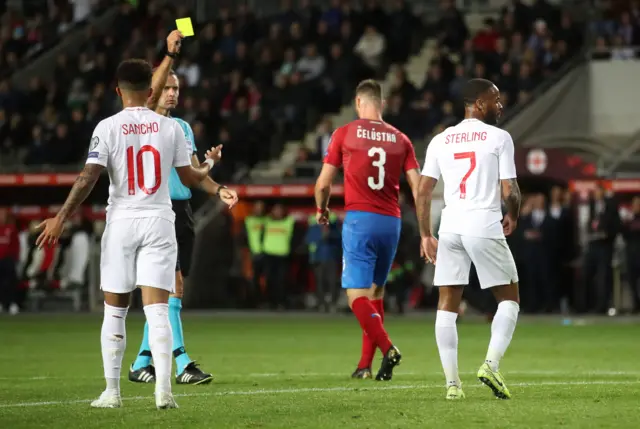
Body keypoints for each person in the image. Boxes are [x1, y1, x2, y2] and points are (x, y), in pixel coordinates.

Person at [35, 56, 221, 410]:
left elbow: (88, 176)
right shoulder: (171, 128)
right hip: (159, 221)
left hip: (121, 222)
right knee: (159, 311)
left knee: (115, 312)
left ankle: (112, 392)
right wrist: (210, 164)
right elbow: (189, 177)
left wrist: (61, 217)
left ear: (118, 90)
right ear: (151, 91)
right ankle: (164, 393)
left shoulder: (107, 127)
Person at [128, 67, 238, 386]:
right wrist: (172, 51)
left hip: (181, 210)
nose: (174, 93)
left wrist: (216, 185)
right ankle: (182, 363)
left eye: (177, 88)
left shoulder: (181, 127)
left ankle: (141, 361)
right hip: (155, 211)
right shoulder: (140, 125)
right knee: (170, 287)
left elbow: (192, 174)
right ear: (154, 90)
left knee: (169, 291)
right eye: (168, 88)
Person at [416, 78, 521, 400]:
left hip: (450, 226)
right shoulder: (499, 138)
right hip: (484, 223)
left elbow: (423, 191)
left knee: (447, 305)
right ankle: (490, 364)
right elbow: (510, 191)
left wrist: (425, 234)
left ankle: (452, 385)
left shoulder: (441, 140)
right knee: (509, 299)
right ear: (478, 104)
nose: (500, 105)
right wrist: (513, 214)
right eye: (495, 100)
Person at [315, 79, 421, 381]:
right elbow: (418, 187)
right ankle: (365, 366)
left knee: (355, 297)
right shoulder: (401, 139)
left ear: (358, 103)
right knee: (376, 292)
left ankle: (388, 348)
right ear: (382, 104)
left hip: (360, 219)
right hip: (392, 222)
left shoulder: (345, 133)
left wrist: (321, 210)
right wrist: (424, 228)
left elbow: (323, 183)